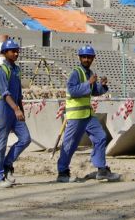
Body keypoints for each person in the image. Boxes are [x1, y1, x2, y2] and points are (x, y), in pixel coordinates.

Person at [56, 45, 120, 183]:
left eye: (89, 57)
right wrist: (88, 83)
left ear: (93, 58)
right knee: (69, 144)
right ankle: (62, 172)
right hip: (75, 116)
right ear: (80, 58)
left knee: (101, 137)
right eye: (84, 57)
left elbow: (93, 91)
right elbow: (72, 91)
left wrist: (102, 86)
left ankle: (101, 169)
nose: (86, 59)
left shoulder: (89, 73)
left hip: (87, 115)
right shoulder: (76, 73)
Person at [0, 39, 31, 187]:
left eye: (17, 50)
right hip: (2, 109)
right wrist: (16, 109)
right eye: (12, 51)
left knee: (25, 138)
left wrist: (20, 109)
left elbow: (18, 93)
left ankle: (7, 165)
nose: (16, 53)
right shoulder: (2, 70)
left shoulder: (16, 70)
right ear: (5, 53)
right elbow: (5, 93)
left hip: (14, 110)